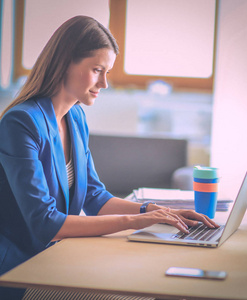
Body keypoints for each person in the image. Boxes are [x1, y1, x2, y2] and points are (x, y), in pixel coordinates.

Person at [0, 16, 219, 299]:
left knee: (144, 278)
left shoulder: (75, 117)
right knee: (128, 294)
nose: (104, 82)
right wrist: (135, 222)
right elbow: (45, 224)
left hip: (56, 259)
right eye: (96, 70)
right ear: (66, 62)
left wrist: (155, 212)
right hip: (20, 272)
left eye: (107, 72)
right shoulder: (21, 123)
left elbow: (94, 197)